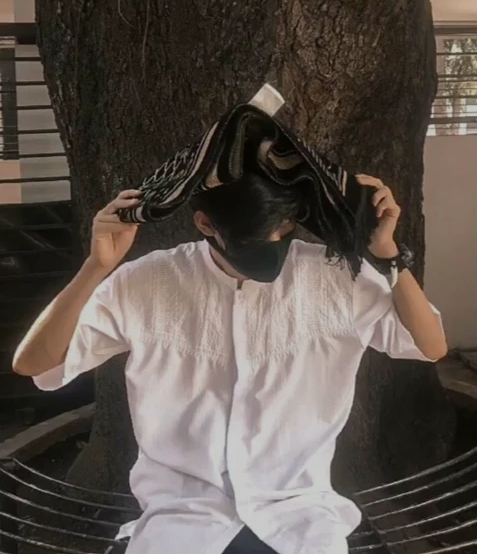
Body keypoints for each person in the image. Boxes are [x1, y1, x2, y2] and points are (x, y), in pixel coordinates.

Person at [13, 170, 447, 554]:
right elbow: (34, 363)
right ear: (206, 224)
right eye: (256, 235)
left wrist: (388, 255)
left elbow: (430, 346)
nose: (274, 243)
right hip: (182, 516)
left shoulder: (337, 279)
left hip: (297, 514)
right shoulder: (147, 282)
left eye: (285, 226)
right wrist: (96, 267)